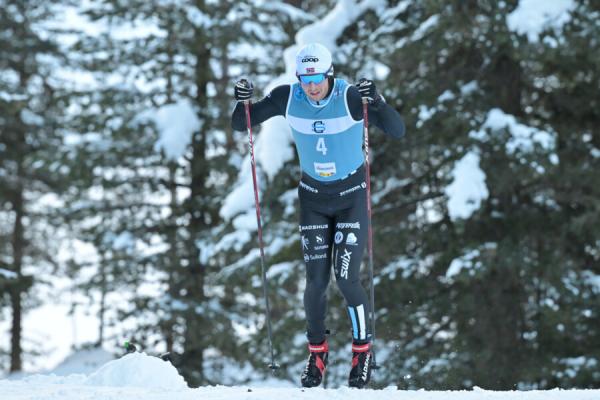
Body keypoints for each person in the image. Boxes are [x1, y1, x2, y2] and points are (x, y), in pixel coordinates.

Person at [231, 43, 405, 388]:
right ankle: (317, 353)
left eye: (318, 80)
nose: (311, 87)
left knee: (347, 279)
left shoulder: (350, 97)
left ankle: (362, 352)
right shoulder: (287, 97)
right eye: (305, 79)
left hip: (350, 198)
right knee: (315, 283)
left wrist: (379, 102)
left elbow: (396, 130)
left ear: (330, 75)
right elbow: (243, 123)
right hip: (312, 199)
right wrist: (242, 100)